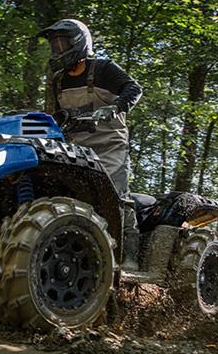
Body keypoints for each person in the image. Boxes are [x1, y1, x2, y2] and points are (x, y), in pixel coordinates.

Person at [38, 19, 143, 271]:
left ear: (79, 43)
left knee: (117, 196)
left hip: (109, 145)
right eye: (55, 44)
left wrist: (115, 108)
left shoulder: (104, 68)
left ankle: (130, 256)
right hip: (76, 148)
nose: (58, 49)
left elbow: (134, 88)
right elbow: (54, 115)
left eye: (63, 43)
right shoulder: (58, 80)